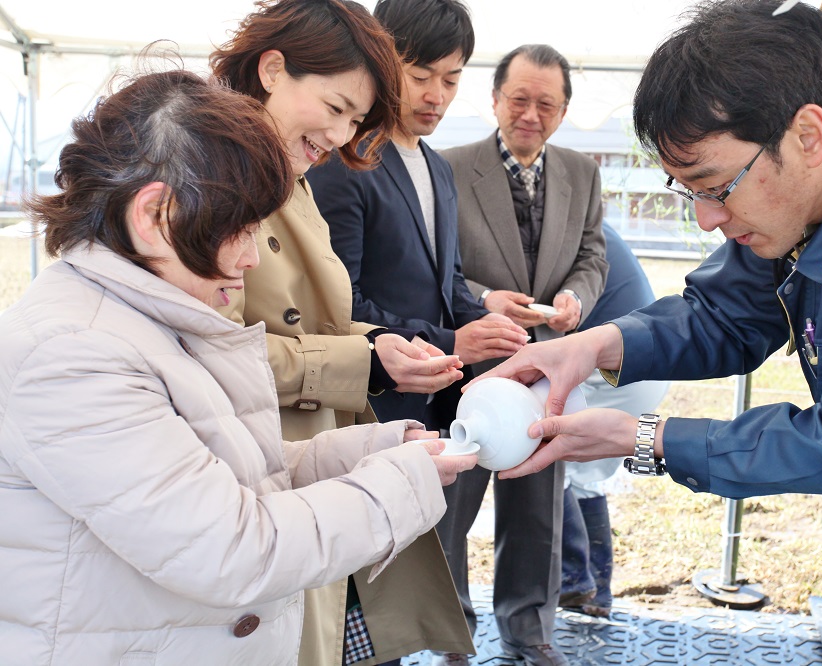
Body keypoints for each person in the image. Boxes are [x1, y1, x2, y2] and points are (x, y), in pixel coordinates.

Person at [477, 2, 822, 665]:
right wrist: (593, 346)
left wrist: (645, 439)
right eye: (686, 190)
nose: (704, 221)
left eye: (715, 187)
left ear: (808, 134)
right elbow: (724, 314)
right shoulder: (818, 178)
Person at [0, 68, 476, 666]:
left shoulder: (150, 317)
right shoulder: (72, 355)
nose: (251, 257)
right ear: (155, 215)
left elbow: (231, 475)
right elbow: (233, 549)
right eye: (242, 229)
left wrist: (376, 450)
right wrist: (402, 484)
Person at [210, 2, 474, 664]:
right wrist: (365, 359)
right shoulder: (213, 180)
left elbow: (320, 311)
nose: (339, 134)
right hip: (249, 470)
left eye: (355, 120)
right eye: (334, 107)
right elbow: (210, 357)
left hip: (312, 448)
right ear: (272, 70)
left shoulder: (290, 177)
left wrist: (377, 343)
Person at [438, 44, 608, 666]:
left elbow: (593, 255)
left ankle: (530, 629)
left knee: (538, 504)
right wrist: (485, 299)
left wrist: (574, 298)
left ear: (563, 112)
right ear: (494, 100)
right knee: (452, 504)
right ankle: (451, 627)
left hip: (547, 369)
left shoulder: (581, 174)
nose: (530, 114)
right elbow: (441, 267)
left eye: (546, 103)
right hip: (470, 367)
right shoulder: (449, 168)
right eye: (519, 99)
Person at [307, 0, 528, 435]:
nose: (436, 95)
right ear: (383, 63)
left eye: (451, 78)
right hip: (369, 404)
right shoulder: (347, 160)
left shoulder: (438, 167)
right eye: (420, 76)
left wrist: (484, 319)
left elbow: (451, 281)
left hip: (435, 402)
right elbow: (336, 301)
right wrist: (449, 341)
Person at [558, 225, 670, 619]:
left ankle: (574, 581)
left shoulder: (556, 230)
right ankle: (595, 595)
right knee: (581, 475)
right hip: (647, 361)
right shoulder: (587, 225)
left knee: (551, 454)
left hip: (618, 366)